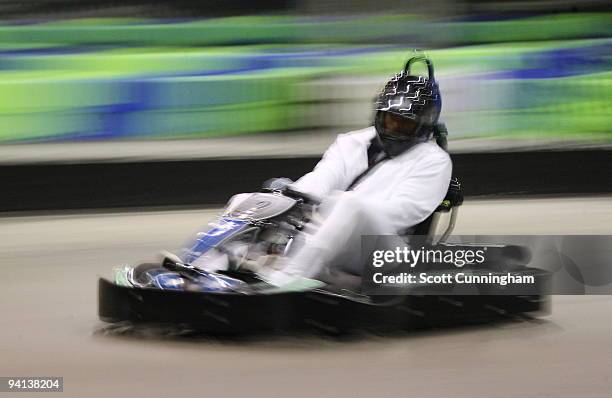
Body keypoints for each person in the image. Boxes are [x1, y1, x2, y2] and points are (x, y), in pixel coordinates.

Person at [261, 55, 452, 287]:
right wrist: (292, 197)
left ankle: (286, 279)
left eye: (405, 124)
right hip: (332, 233)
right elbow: (324, 176)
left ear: (424, 124)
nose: (394, 128)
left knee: (351, 205)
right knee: (256, 200)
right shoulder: (351, 141)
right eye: (390, 119)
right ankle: (216, 264)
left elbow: (401, 212)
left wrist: (336, 208)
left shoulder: (435, 161)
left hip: (387, 252)